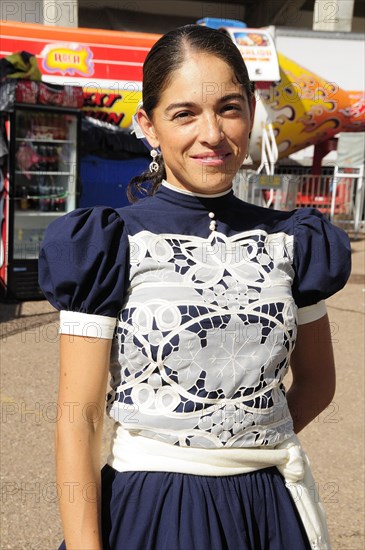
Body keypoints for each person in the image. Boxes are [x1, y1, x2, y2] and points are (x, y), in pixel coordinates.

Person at [38, 24, 351, 550]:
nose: (212, 133)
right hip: (150, 511)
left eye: (228, 107)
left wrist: (239, 448)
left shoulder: (294, 240)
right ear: (149, 125)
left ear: (251, 112)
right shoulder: (106, 243)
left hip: (268, 510)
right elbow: (80, 420)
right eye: (184, 113)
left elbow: (318, 383)